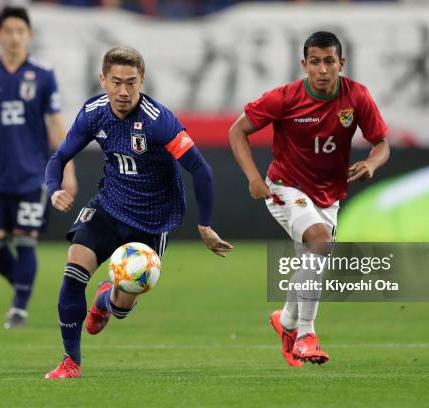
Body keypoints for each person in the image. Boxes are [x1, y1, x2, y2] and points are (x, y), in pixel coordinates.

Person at [43, 46, 233, 379]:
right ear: (103, 80)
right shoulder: (94, 113)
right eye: (116, 82)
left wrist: (205, 225)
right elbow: (58, 158)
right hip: (108, 207)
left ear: (142, 80)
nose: (123, 91)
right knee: (73, 275)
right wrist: (54, 189)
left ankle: (105, 301)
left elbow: (201, 170)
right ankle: (70, 361)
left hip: (152, 220)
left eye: (131, 82)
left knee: (120, 308)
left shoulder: (159, 122)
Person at [229, 31, 389, 366]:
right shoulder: (284, 98)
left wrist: (372, 162)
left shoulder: (357, 97)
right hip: (285, 187)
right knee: (319, 242)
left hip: (328, 195)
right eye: (314, 61)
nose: (322, 69)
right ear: (304, 65)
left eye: (329, 61)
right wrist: (254, 178)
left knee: (312, 263)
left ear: (341, 64)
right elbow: (237, 130)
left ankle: (285, 321)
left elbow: (381, 143)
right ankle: (306, 336)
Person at [0, 7, 77, 329]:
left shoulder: (43, 74)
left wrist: (68, 170)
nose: (15, 36)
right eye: (9, 30)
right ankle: (23, 284)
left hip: (34, 176)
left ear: (29, 35)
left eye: (21, 30)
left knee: (24, 240)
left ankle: (19, 307)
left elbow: (57, 123)